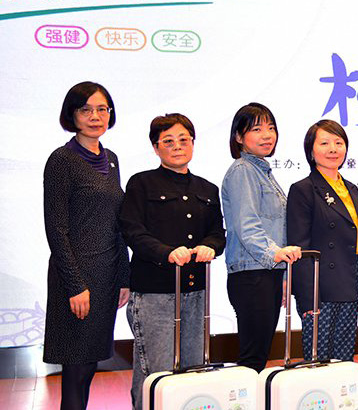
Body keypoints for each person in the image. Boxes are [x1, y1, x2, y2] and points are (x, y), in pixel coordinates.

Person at [119, 113, 226, 410]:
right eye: (168, 141)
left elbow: (218, 233)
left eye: (183, 140)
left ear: (193, 143)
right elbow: (132, 231)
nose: (177, 146)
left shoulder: (207, 188)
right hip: (154, 293)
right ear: (156, 148)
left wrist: (210, 246)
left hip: (195, 292)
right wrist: (165, 252)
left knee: (193, 372)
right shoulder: (142, 184)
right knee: (156, 374)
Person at [43, 81, 130, 410]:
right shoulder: (61, 160)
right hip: (77, 279)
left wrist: (124, 277)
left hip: (106, 277)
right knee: (76, 369)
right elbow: (56, 229)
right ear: (72, 115)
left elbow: (117, 223)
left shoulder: (111, 159)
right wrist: (75, 285)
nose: (95, 116)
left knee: (90, 365)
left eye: (102, 109)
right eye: (86, 109)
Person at [221, 103, 301, 372]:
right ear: (239, 137)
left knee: (258, 354)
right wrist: (274, 254)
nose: (267, 135)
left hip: (265, 272)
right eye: (257, 129)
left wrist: (283, 272)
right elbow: (247, 225)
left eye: (271, 128)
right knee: (253, 358)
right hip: (252, 274)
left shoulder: (261, 171)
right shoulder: (243, 170)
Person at [286, 120, 358, 362]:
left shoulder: (351, 188)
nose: (333, 149)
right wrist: (307, 297)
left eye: (338, 142)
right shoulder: (303, 189)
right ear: (311, 151)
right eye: (324, 143)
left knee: (344, 359)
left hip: (350, 278)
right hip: (320, 286)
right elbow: (300, 247)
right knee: (318, 360)